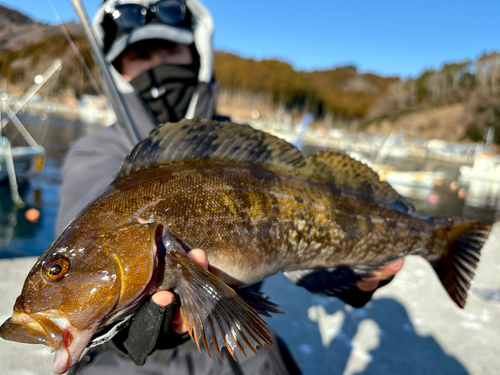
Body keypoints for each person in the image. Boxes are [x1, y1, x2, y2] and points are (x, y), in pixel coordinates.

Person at [57, 0, 404, 374]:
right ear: (116, 69)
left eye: (170, 49)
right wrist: (118, 325)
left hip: (243, 350)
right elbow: (90, 234)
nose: (157, 66)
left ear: (197, 55)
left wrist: (353, 280)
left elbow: (304, 221)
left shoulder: (240, 151)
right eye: (140, 55)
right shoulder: (98, 152)